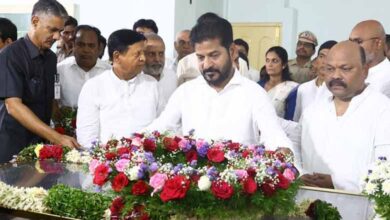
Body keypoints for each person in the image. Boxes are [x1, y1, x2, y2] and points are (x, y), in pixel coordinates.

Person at [146, 14, 292, 152]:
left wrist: (284, 151)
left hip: (239, 177)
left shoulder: (253, 93)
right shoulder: (185, 92)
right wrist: (130, 144)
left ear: (233, 51)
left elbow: (274, 135)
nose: (207, 64)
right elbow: (159, 128)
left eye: (214, 55)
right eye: (201, 57)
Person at [299, 41, 390, 192]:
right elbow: (294, 146)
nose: (336, 75)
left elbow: (385, 171)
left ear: (365, 70)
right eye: (329, 69)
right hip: (308, 207)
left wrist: (337, 182)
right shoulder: (312, 111)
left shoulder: (383, 110)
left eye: (345, 69)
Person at [0, 0, 79, 163]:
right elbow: (13, 106)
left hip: (40, 144)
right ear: (35, 21)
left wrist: (63, 127)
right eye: (52, 30)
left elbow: (50, 101)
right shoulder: (10, 55)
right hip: (11, 145)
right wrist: (56, 137)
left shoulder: (50, 58)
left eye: (60, 31)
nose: (57, 37)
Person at [76, 29, 162, 148]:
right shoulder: (94, 86)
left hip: (148, 161)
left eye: (144, 53)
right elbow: (86, 137)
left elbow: (163, 125)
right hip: (106, 161)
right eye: (137, 54)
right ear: (117, 56)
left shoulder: (152, 84)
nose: (143, 58)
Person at [57, 25, 111, 108]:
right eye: (80, 45)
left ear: (99, 48)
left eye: (91, 45)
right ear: (73, 46)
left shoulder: (110, 72)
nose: (86, 50)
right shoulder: (59, 70)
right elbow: (55, 99)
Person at [287, 40, 337, 121]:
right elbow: (297, 121)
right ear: (316, 60)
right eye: (321, 56)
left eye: (330, 57)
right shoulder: (303, 89)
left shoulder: (338, 91)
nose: (325, 61)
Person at [349, 20, 390, 98]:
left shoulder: (387, 78)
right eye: (350, 42)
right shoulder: (349, 72)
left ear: (377, 44)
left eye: (358, 41)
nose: (353, 47)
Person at [258, 46, 298, 118]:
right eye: (267, 60)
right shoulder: (259, 85)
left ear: (284, 65)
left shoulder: (291, 89)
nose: (270, 65)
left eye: (275, 61)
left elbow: (290, 118)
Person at [143, 33, 177, 105]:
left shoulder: (172, 76)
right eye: (151, 54)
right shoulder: (134, 80)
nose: (157, 59)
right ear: (142, 55)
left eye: (161, 54)